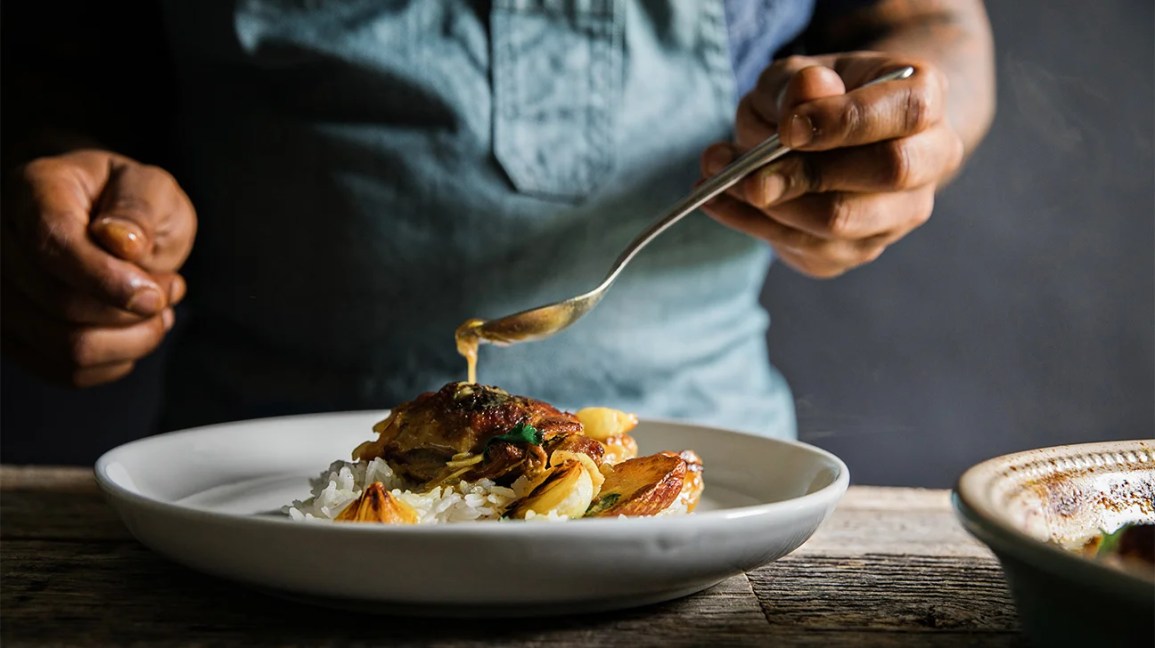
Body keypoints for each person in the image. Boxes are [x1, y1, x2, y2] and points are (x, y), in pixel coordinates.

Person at [1, 1, 995, 463]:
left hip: (708, 494)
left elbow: (935, 21)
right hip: (251, 497)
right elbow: (68, 60)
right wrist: (67, 177)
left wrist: (895, 123)